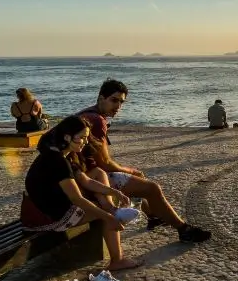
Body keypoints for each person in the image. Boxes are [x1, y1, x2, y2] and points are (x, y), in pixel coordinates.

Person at [78, 79, 210, 242]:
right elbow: (105, 163)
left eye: (121, 102)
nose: (118, 106)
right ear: (100, 98)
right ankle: (183, 230)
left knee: (140, 181)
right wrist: (132, 171)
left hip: (80, 174)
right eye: (114, 100)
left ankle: (154, 216)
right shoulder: (97, 121)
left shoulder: (87, 114)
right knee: (152, 188)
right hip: (86, 179)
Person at [20, 116, 139, 281]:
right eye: (82, 137)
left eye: (86, 137)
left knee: (103, 208)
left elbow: (87, 181)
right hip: (43, 217)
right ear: (67, 137)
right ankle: (117, 258)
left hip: (45, 209)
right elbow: (76, 198)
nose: (85, 142)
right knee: (103, 214)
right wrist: (107, 216)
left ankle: (115, 214)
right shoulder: (57, 161)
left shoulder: (63, 155)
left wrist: (114, 192)